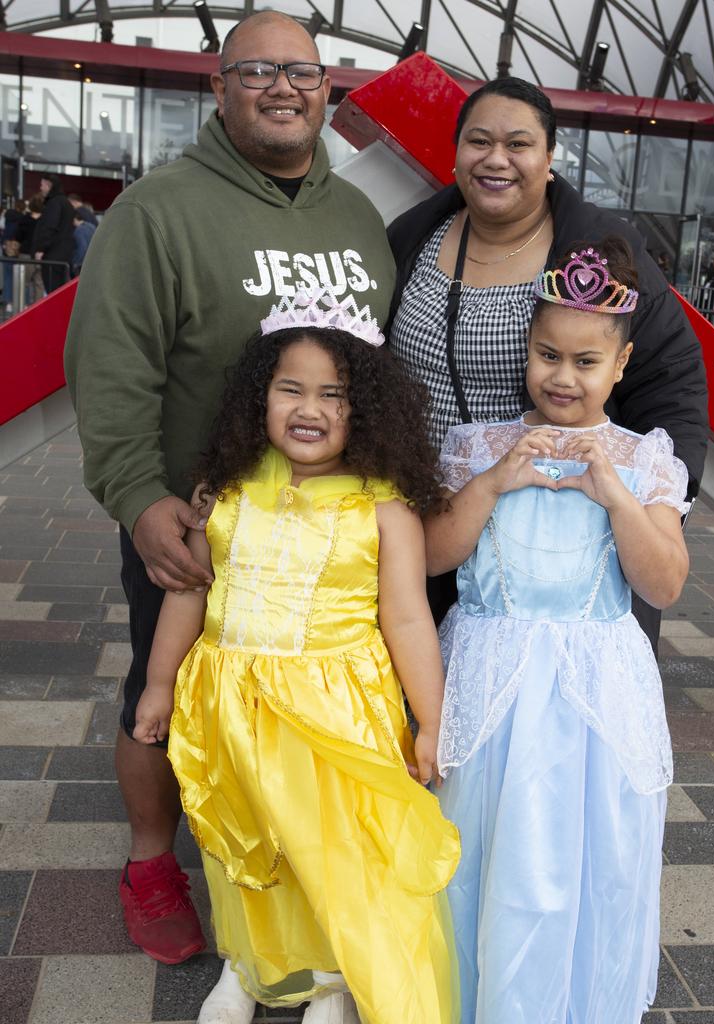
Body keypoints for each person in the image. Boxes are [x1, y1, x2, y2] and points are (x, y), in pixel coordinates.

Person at [63, 3, 395, 995]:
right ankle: (153, 860)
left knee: (304, 707)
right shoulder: (158, 212)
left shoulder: (356, 219)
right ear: (218, 88)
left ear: (327, 90)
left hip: (326, 538)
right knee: (165, 696)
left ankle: (285, 872)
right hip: (200, 527)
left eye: (302, 72)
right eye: (257, 72)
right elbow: (111, 369)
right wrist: (138, 497)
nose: (284, 89)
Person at [132, 289, 460, 1024]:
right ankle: (247, 965)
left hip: (334, 715)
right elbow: (187, 595)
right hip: (231, 706)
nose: (310, 409)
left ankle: (331, 977)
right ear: (260, 397)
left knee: (328, 850)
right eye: (291, 389)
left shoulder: (383, 506)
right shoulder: (225, 493)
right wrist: (159, 685)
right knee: (241, 841)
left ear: (365, 409)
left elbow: (407, 619)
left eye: (334, 396)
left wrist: (431, 722)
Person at [425, 237, 689, 1023]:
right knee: (480, 851)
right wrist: (496, 478)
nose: (562, 377)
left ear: (621, 363)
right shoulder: (479, 445)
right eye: (548, 355)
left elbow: (663, 582)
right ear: (526, 350)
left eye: (585, 362)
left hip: (591, 704)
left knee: (583, 860)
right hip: (488, 684)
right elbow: (434, 553)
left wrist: (616, 494)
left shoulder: (645, 462)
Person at [387, 77, 707, 643]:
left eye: (519, 144)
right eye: (479, 141)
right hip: (433, 517)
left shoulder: (602, 248)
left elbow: (671, 382)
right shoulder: (412, 235)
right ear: (457, 150)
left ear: (549, 156)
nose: (496, 159)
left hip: (558, 544)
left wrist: (651, 510)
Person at [33, 173, 74, 294]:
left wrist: (41, 248)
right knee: (59, 292)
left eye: (42, 185)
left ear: (49, 185)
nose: (40, 188)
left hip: (52, 255)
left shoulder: (54, 203)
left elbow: (49, 227)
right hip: (64, 254)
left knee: (52, 290)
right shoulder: (66, 203)